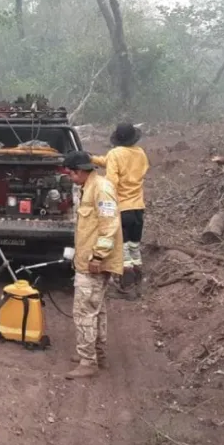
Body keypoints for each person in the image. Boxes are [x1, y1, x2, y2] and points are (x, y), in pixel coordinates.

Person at [63, 151, 123, 379]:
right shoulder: (88, 187)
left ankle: (89, 362)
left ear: (79, 171)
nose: (69, 177)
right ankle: (97, 354)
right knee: (96, 309)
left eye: (70, 173)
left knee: (84, 311)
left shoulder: (101, 189)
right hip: (88, 260)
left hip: (94, 263)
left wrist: (98, 256)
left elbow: (109, 226)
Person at [91, 122, 149, 288]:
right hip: (137, 207)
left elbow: (112, 181)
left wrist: (103, 201)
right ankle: (138, 272)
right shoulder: (140, 153)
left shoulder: (115, 154)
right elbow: (108, 161)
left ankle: (126, 280)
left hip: (122, 208)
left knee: (121, 247)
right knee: (134, 244)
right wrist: (91, 158)